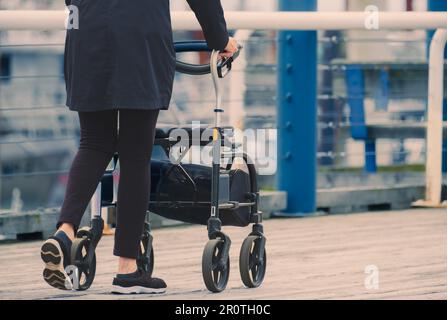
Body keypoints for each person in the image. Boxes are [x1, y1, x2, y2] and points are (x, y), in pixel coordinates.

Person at [40, 0, 239, 294]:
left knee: (93, 142)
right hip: (138, 35)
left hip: (87, 31)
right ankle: (127, 269)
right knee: (136, 155)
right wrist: (220, 39)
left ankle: (65, 231)